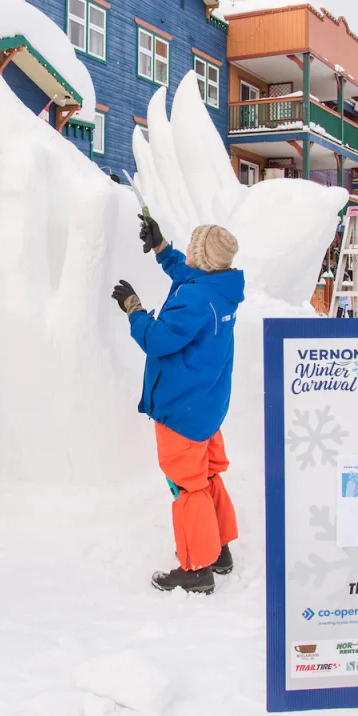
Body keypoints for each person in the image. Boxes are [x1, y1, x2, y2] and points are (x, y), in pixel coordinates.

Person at [112, 215, 244, 595]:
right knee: (207, 476)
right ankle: (219, 551)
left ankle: (197, 567)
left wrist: (134, 309)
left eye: (191, 247)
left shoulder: (195, 298)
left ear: (201, 257)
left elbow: (157, 339)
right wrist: (161, 247)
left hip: (182, 408)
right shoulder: (219, 288)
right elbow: (186, 274)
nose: (185, 251)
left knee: (186, 486)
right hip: (207, 405)